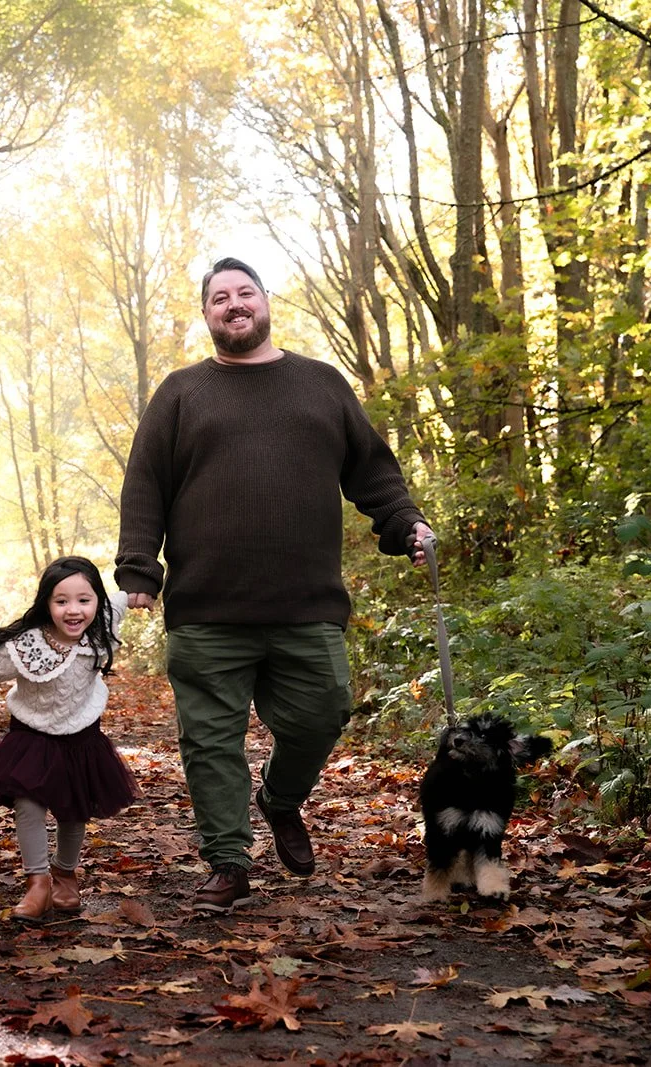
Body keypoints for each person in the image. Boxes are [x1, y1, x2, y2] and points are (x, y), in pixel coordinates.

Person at [115, 256, 434, 914]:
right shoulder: (180, 393)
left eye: (244, 293)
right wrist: (139, 568)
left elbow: (373, 472)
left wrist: (407, 525)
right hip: (206, 607)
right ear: (207, 315)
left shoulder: (321, 385)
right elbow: (145, 484)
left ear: (265, 302)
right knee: (209, 742)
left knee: (326, 710)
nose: (233, 304)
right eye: (219, 298)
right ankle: (228, 861)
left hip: (306, 604)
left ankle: (281, 798)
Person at [0, 557, 139, 922]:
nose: (74, 610)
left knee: (75, 809)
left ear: (96, 601)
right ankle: (38, 883)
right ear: (46, 604)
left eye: (84, 600)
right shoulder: (24, 646)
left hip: (82, 736)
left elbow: (122, 597)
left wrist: (139, 587)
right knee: (29, 803)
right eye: (61, 601)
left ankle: (65, 875)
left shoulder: (103, 624)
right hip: (33, 735)